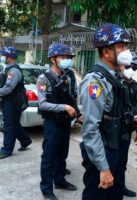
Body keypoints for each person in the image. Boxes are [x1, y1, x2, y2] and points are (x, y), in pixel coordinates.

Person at [79, 23, 137, 200]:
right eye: (121, 47)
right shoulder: (95, 82)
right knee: (97, 195)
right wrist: (103, 167)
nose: (126, 51)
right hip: (102, 150)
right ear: (107, 52)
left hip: (114, 145)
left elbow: (115, 113)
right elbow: (91, 129)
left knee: (114, 195)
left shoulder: (115, 77)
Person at [37, 43, 81, 200]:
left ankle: (60, 180)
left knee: (62, 154)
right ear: (53, 59)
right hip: (52, 123)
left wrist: (78, 114)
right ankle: (47, 189)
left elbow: (73, 98)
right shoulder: (44, 79)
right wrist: (63, 107)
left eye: (69, 57)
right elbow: (42, 104)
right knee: (49, 157)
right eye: (63, 57)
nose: (67, 60)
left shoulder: (69, 76)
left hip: (65, 123)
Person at [117, 50, 137, 197]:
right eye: (127, 67)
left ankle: (121, 187)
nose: (130, 70)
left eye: (134, 67)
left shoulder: (136, 86)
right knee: (112, 160)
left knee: (122, 160)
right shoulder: (114, 84)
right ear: (120, 66)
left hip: (127, 129)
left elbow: (136, 110)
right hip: (113, 129)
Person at [0, 47, 32, 159]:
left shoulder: (13, 71)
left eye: (4, 55)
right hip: (10, 101)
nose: (4, 57)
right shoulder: (9, 69)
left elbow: (8, 88)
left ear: (10, 57)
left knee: (9, 126)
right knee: (14, 124)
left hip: (12, 102)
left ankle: (6, 150)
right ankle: (25, 141)